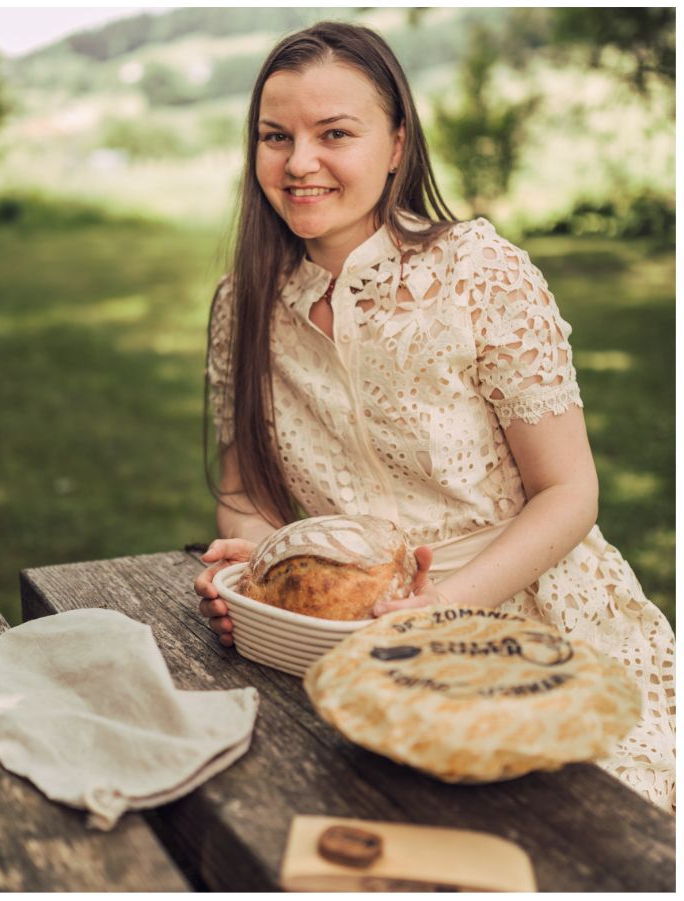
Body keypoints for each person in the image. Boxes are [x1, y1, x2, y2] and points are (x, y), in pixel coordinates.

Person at [191, 21, 674, 809]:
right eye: (274, 136)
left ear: (396, 145)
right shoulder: (243, 303)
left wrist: (443, 608)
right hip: (338, 640)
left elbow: (569, 492)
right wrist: (256, 580)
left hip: (526, 619)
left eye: (334, 133)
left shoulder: (479, 274)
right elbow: (247, 495)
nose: (298, 162)